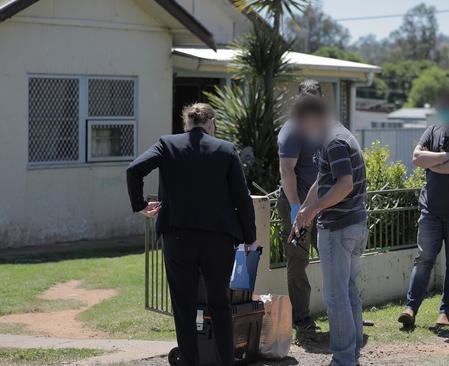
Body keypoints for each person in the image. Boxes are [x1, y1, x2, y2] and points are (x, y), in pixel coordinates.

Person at [126, 103, 256, 366]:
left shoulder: (167, 144)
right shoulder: (226, 149)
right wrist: (249, 236)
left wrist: (140, 205)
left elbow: (134, 169)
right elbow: (242, 198)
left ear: (187, 123)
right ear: (211, 123)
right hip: (218, 240)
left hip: (178, 237)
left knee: (183, 308)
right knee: (220, 304)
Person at [292, 95, 367, 366]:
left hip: (339, 227)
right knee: (348, 290)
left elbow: (344, 185)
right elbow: (324, 179)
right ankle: (352, 351)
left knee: (336, 296)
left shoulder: (333, 142)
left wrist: (314, 210)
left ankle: (344, 359)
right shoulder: (338, 134)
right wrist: (305, 208)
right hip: (354, 224)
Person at [398, 88, 449, 328]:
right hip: (430, 210)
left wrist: (433, 163)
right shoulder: (432, 131)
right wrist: (448, 156)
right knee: (423, 259)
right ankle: (410, 309)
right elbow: (415, 158)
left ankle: (446, 312)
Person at [276, 80, 323, 330]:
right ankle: (301, 317)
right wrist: (296, 208)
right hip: (299, 209)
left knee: (334, 256)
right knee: (298, 260)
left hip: (321, 206)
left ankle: (344, 312)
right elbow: (286, 170)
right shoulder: (293, 129)